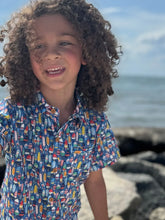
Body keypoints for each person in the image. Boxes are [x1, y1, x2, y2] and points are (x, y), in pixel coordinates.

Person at [0, 0, 121, 219]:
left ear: (86, 53)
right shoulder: (10, 114)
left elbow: (94, 180)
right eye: (38, 45)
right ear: (26, 57)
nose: (51, 54)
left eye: (64, 42)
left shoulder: (94, 122)